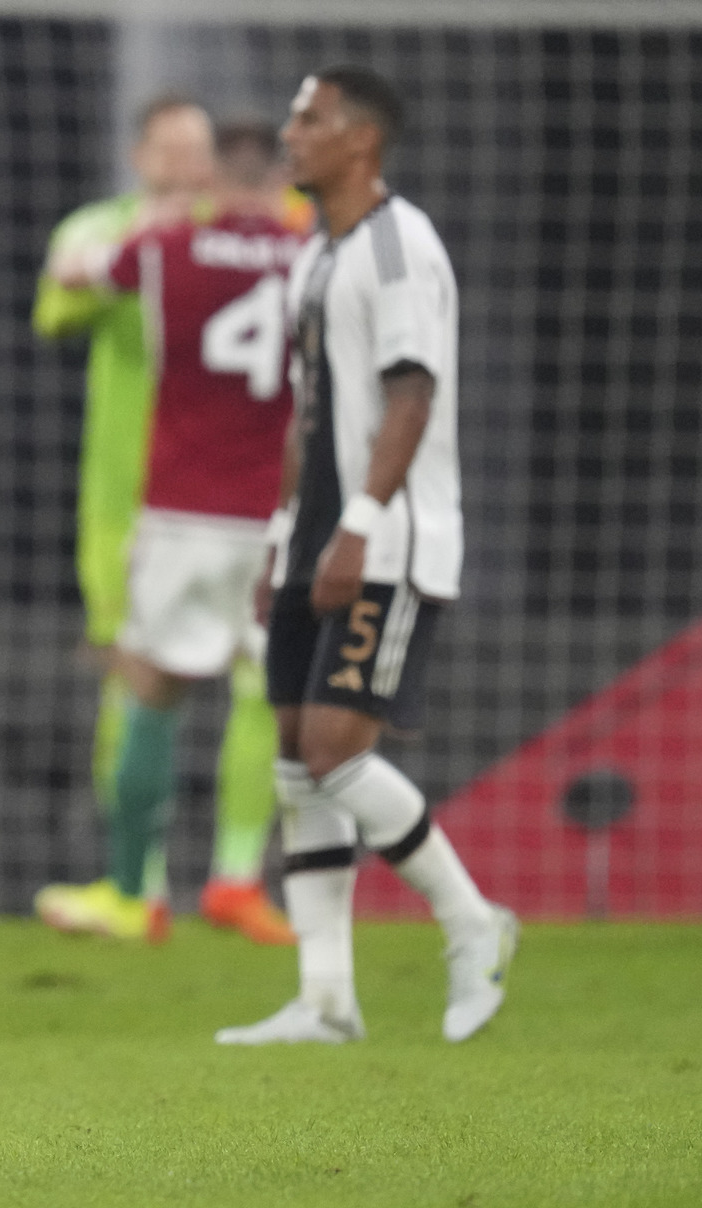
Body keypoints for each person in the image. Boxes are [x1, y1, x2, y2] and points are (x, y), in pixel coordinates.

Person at [218, 66, 517, 1046]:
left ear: (358, 141)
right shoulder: (321, 254)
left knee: (334, 753)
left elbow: (411, 395)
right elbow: (309, 418)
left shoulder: (398, 246)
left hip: (386, 540)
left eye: (306, 120)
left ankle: (473, 924)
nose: (288, 134)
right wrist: (282, 537)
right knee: (301, 773)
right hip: (316, 538)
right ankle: (325, 999)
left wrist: (356, 526)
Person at [33, 96, 294, 943]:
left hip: (175, 508)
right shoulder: (311, 244)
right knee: (278, 692)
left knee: (150, 687)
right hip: (261, 507)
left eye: (198, 154)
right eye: (171, 152)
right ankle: (167, 883)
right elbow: (57, 314)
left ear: (216, 170)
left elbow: (73, 281)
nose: (185, 170)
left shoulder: (151, 244)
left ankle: (167, 884)